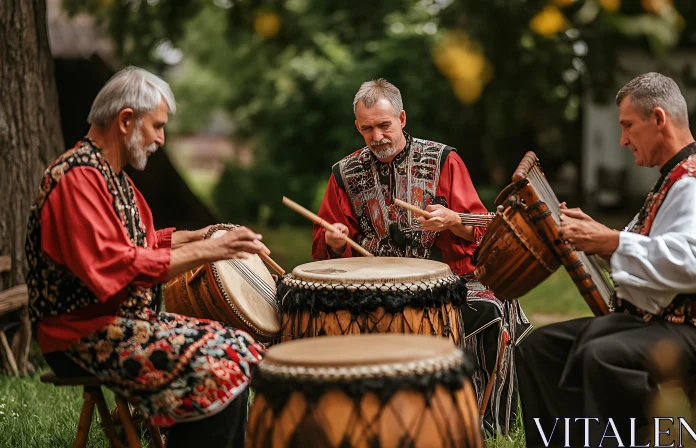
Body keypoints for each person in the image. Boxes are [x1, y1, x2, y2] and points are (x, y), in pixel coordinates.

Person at [26, 66, 270, 448]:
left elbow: (141, 242)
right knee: (215, 366)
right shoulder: (76, 179)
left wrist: (203, 235)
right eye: (156, 126)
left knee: (240, 347)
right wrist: (212, 250)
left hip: (126, 324)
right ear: (126, 120)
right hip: (81, 336)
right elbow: (116, 265)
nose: (161, 138)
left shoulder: (113, 177)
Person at [515, 72, 696, 447]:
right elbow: (649, 247)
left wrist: (611, 242)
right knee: (537, 348)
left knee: (604, 354)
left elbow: (693, 265)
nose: (623, 140)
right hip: (667, 322)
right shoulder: (675, 177)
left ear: (658, 119)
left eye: (627, 126)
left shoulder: (695, 182)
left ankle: (655, 439)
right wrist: (601, 236)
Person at [311, 78, 532, 434]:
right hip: (374, 284)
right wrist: (336, 241)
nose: (377, 136)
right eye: (367, 129)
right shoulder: (344, 173)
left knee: (492, 308)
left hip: (446, 280)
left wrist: (453, 221)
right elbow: (329, 241)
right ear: (357, 127)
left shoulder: (444, 159)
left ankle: (487, 425)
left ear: (401, 118)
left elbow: (481, 227)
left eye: (384, 125)